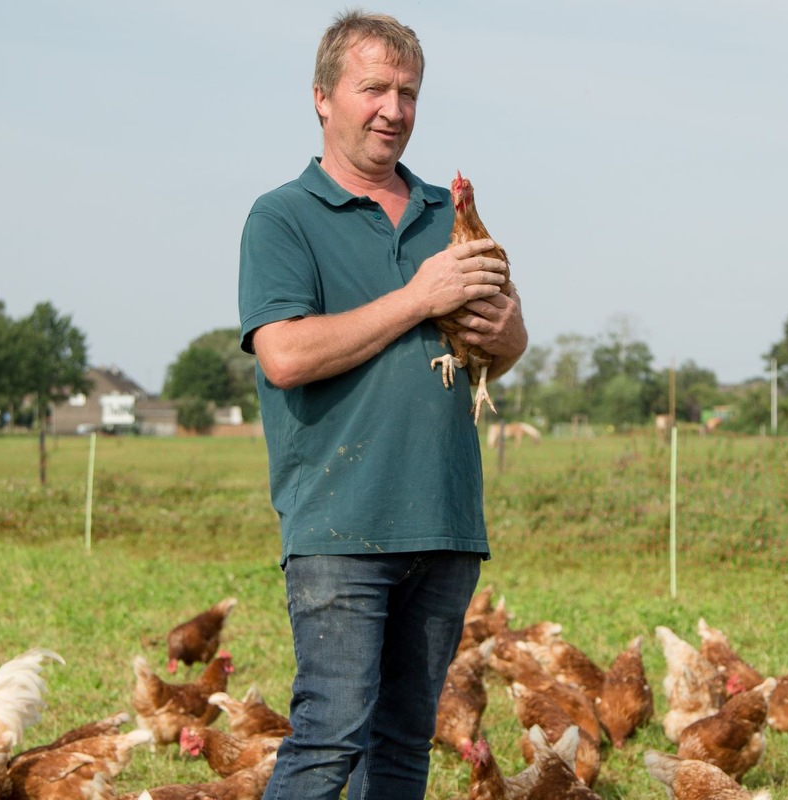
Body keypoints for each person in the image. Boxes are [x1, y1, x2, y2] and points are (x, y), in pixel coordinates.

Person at [237, 10, 527, 800]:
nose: (392, 109)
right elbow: (286, 354)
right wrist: (418, 296)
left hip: (445, 520)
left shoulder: (445, 212)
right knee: (330, 736)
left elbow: (509, 343)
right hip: (341, 523)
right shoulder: (283, 217)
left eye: (407, 92)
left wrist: (509, 331)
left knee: (402, 744)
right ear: (323, 98)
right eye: (373, 88)